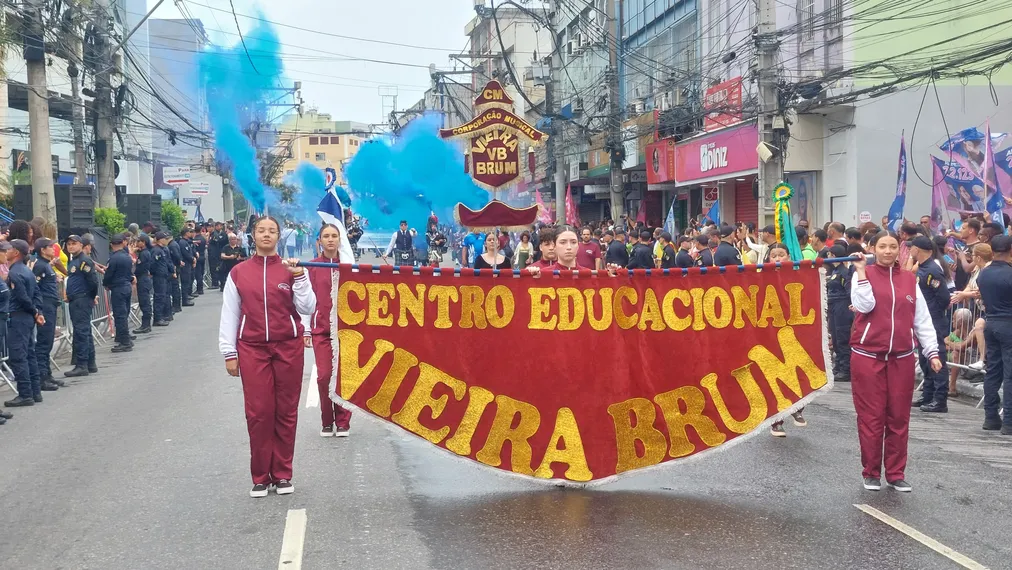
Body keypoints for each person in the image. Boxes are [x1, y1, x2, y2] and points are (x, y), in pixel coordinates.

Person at [218, 216, 316, 498]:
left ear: (279, 237)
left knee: (286, 411)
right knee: (259, 412)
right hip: (252, 348)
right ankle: (261, 475)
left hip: (288, 347)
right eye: (261, 230)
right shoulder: (238, 272)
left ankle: (283, 474)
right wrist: (229, 352)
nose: (266, 235)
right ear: (252, 235)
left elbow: (308, 306)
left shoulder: (292, 269)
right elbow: (230, 314)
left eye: (272, 231)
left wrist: (299, 278)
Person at [850, 231, 943, 492]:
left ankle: (895, 473)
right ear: (873, 248)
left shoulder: (909, 279)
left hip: (902, 358)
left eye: (893, 246)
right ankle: (871, 472)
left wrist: (932, 352)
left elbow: (922, 319)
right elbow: (864, 306)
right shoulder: (863, 275)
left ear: (900, 250)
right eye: (882, 246)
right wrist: (860, 272)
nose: (888, 251)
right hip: (868, 357)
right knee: (871, 417)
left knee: (899, 417)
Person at [301, 224, 352, 437]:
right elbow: (303, 299)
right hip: (321, 329)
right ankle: (326, 419)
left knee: (344, 376)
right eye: (326, 236)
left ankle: (343, 422)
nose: (330, 240)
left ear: (340, 239)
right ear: (319, 240)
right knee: (324, 376)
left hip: (347, 330)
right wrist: (305, 329)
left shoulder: (349, 267)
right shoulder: (311, 266)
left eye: (334, 236)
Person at [763, 243, 808, 436]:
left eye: (782, 255)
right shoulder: (760, 277)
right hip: (771, 334)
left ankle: (798, 408)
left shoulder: (800, 277)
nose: (778, 258)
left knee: (799, 372)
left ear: (789, 257)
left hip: (794, 333)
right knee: (775, 379)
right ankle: (776, 421)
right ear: (768, 258)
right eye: (774, 255)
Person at [906, 235, 951, 413]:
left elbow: (944, 297)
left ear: (917, 249)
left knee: (936, 358)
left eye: (911, 248)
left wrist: (933, 312)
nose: (910, 251)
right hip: (925, 319)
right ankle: (928, 394)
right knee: (925, 359)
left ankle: (940, 399)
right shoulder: (923, 268)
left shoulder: (932, 270)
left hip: (934, 320)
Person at [975, 235, 1012, 433]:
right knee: (1010, 374)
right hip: (1008, 322)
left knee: (993, 371)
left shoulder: (984, 274)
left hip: (991, 321)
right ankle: (1009, 421)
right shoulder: (1009, 274)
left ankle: (990, 417)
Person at [3, 240, 43, 407]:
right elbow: (37, 293)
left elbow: (22, 296)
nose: (6, 252)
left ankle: (25, 393)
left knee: (19, 356)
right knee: (29, 354)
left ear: (16, 252)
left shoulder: (14, 273)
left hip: (19, 315)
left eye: (10, 249)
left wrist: (34, 311)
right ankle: (35, 391)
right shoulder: (27, 271)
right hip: (27, 317)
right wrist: (37, 312)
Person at [63, 235, 99, 377]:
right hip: (75, 300)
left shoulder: (84, 261)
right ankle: (90, 363)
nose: (71, 246)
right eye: (68, 244)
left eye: (74, 244)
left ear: (81, 245)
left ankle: (82, 364)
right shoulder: (73, 262)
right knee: (84, 331)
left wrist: (90, 297)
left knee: (81, 332)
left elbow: (93, 282)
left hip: (82, 300)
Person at [31, 238, 62, 390]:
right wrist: (39, 310)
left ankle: (48, 375)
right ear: (43, 250)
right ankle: (42, 378)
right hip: (45, 305)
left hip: (51, 304)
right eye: (50, 246)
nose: (53, 248)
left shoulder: (46, 265)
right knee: (43, 343)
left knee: (48, 342)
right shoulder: (40, 266)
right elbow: (35, 289)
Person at [103, 233, 135, 353]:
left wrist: (105, 284)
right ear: (123, 243)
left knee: (120, 315)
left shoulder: (113, 258)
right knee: (124, 313)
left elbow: (109, 275)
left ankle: (125, 342)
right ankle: (124, 338)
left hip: (118, 288)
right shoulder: (127, 257)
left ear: (112, 245)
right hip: (126, 286)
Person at [133, 234, 154, 333]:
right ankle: (146, 324)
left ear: (143, 242)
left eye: (138, 241)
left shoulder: (144, 254)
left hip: (143, 279)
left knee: (145, 302)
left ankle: (146, 325)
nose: (137, 243)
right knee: (144, 302)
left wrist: (134, 274)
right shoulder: (143, 253)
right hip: (144, 278)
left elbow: (140, 268)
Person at [151, 232, 173, 327]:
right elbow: (152, 264)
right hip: (158, 276)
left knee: (162, 296)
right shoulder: (156, 250)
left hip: (163, 276)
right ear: (160, 239)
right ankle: (158, 318)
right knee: (159, 297)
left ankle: (162, 316)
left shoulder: (163, 250)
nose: (166, 240)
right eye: (165, 238)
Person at [178, 228, 196, 307]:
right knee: (185, 282)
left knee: (188, 281)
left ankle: (186, 297)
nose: (190, 233)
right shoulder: (182, 242)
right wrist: (192, 259)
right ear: (185, 233)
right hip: (185, 265)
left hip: (188, 264)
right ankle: (185, 300)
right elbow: (186, 254)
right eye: (189, 232)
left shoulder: (186, 242)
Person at [166, 233, 183, 313]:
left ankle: (176, 305)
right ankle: (177, 305)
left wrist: (178, 263)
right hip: (175, 267)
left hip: (174, 267)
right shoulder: (174, 244)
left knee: (174, 287)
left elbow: (176, 256)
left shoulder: (172, 245)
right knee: (175, 287)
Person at [209, 221, 228, 288]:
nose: (220, 227)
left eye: (221, 226)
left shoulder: (222, 234)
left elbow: (222, 241)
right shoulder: (214, 234)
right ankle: (215, 282)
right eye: (219, 226)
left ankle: (219, 282)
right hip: (215, 253)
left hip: (219, 252)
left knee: (219, 268)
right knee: (214, 268)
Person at [192, 225, 208, 295]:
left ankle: (199, 289)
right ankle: (200, 288)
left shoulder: (195, 239)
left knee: (198, 274)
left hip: (197, 257)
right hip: (202, 256)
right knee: (201, 273)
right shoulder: (203, 238)